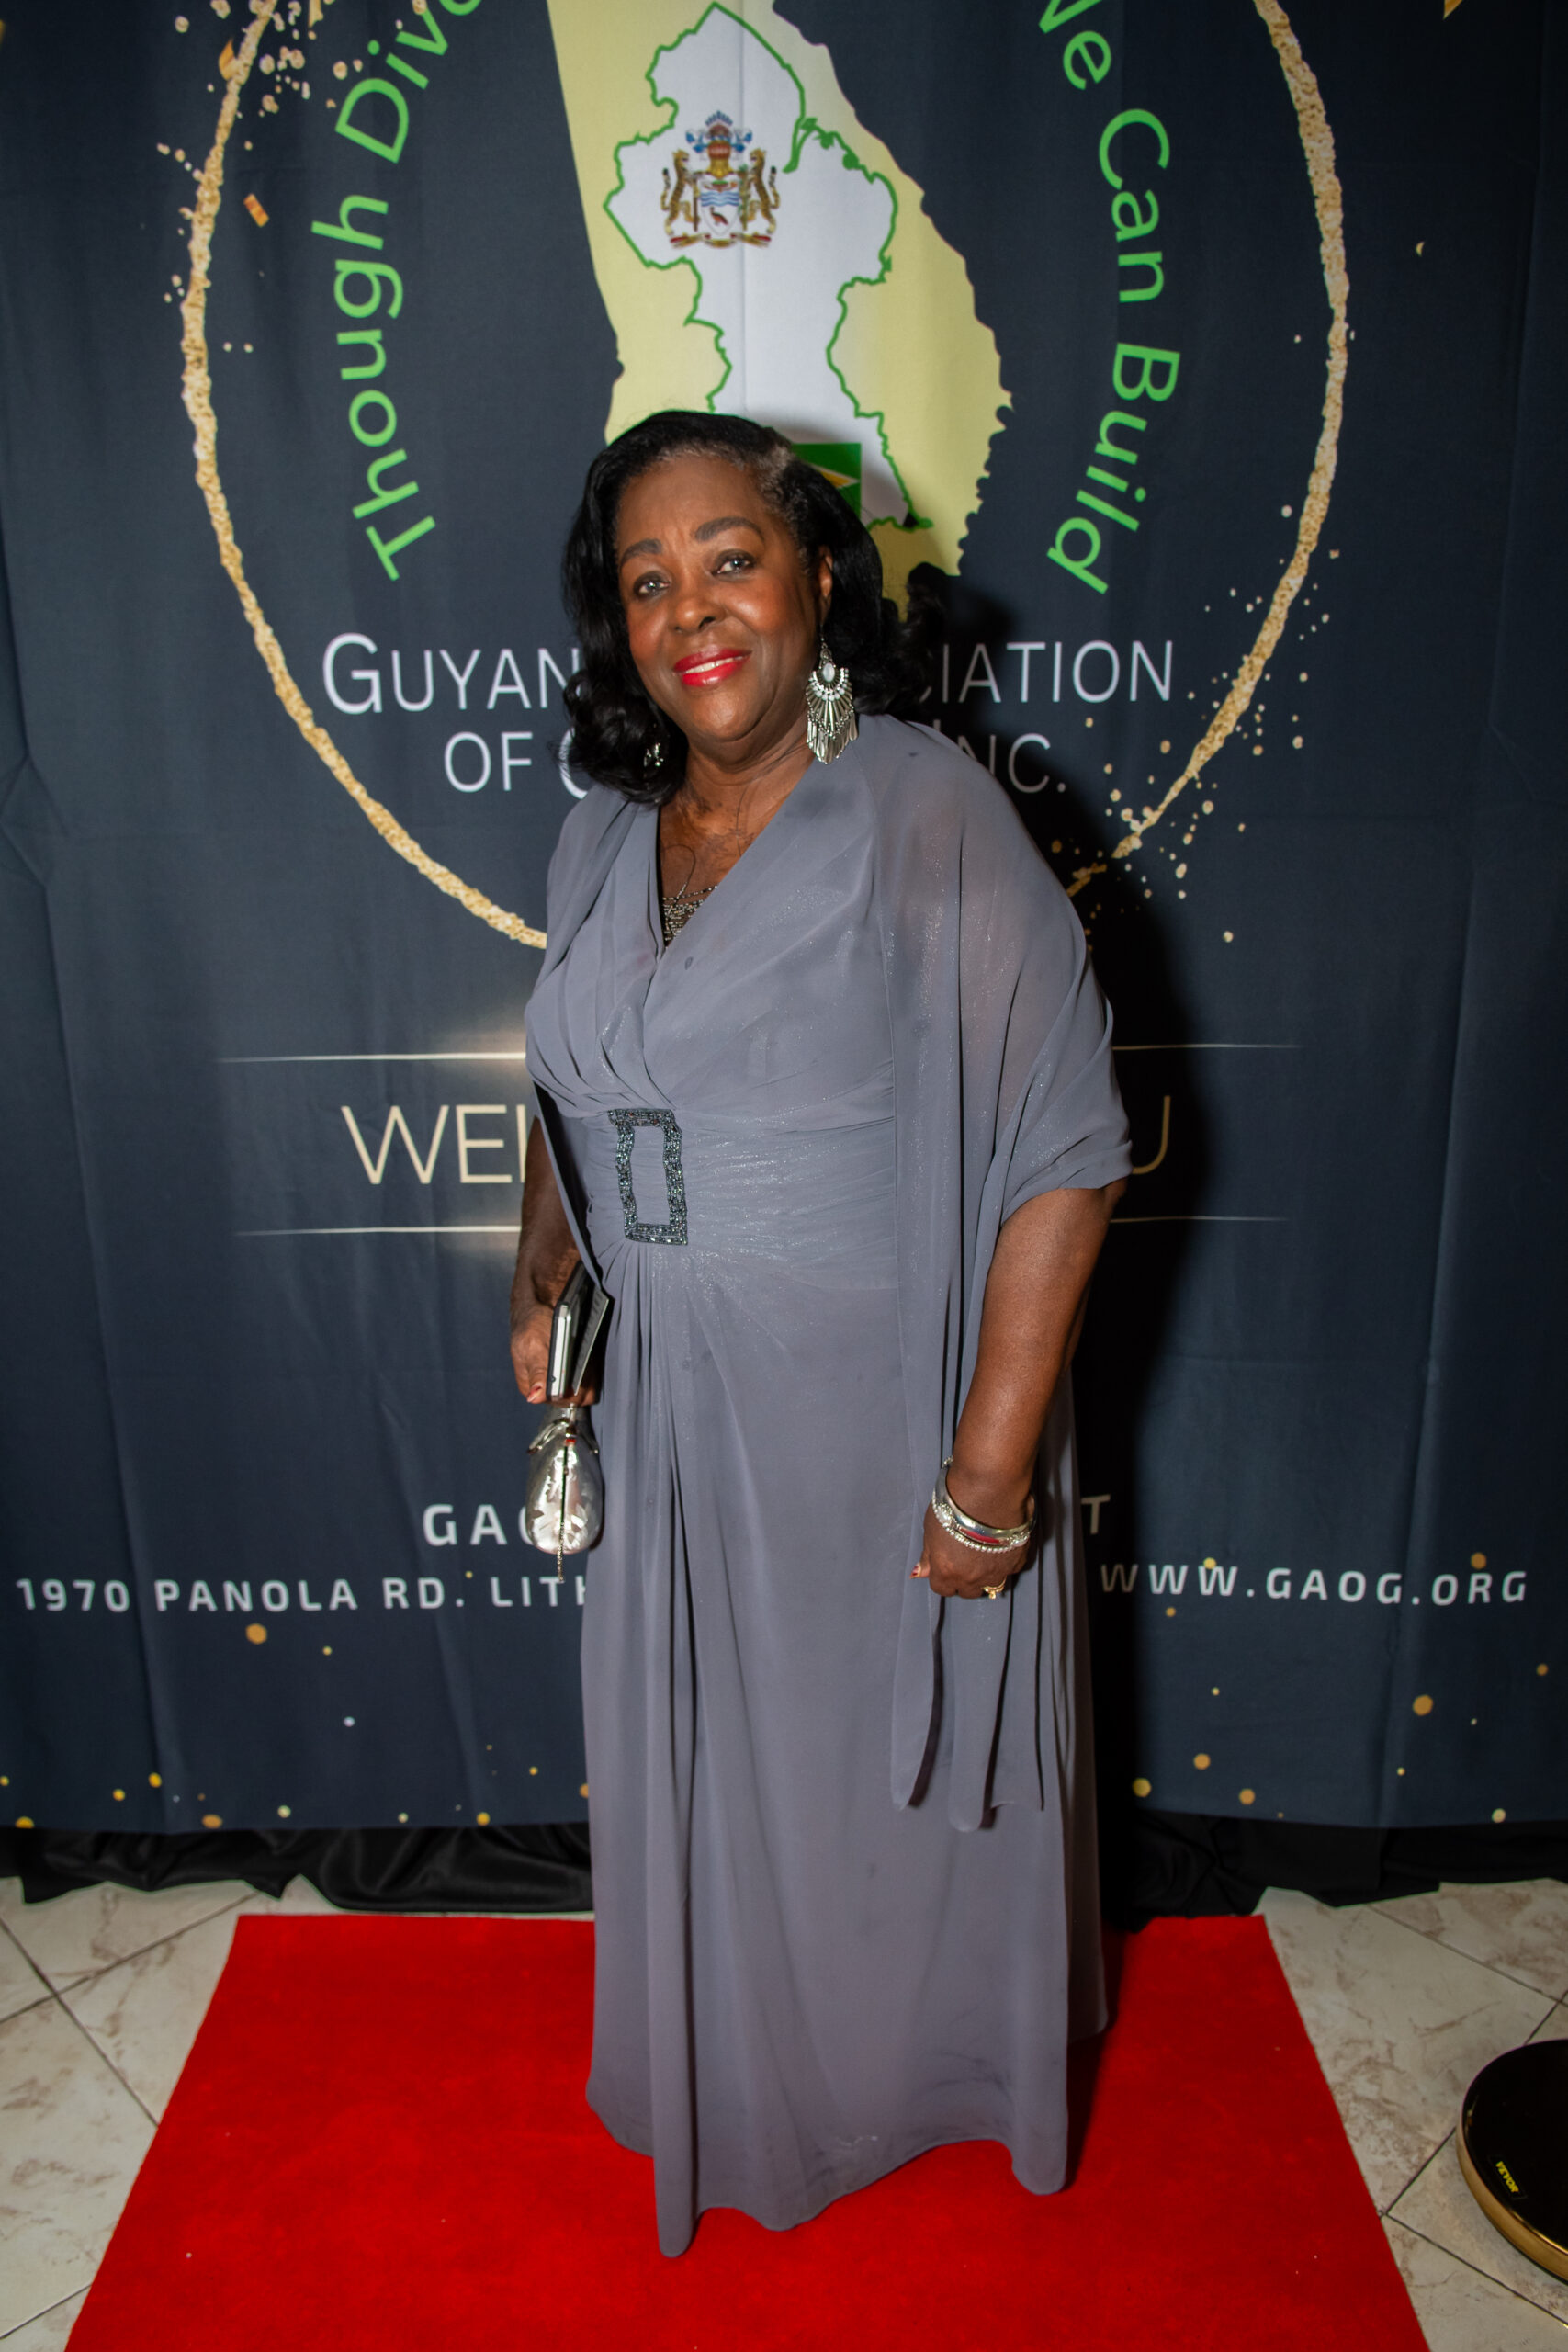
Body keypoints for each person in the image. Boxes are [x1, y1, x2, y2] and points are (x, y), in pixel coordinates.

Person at [511, 411, 1131, 2257]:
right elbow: (569, 1080)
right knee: (712, 1774)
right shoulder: (600, 834)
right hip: (671, 1409)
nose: (690, 610)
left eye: (730, 558)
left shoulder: (923, 811)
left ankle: (905, 2078)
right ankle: (737, 2072)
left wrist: (987, 1476)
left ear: (819, 578)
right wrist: (544, 1273)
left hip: (868, 1413)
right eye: (647, 580)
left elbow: (1064, 1148)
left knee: (870, 1792)